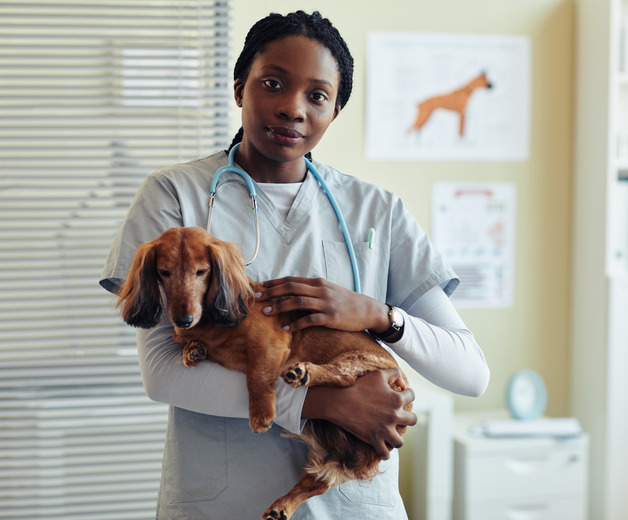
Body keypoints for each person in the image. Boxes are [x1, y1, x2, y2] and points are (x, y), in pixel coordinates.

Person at [100, 10, 489, 519]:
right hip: (224, 504)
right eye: (273, 83)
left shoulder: (377, 211)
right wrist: (318, 401)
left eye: (317, 96)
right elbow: (164, 374)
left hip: (354, 506)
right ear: (240, 88)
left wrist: (378, 315)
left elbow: (470, 373)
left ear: (336, 110)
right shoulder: (175, 196)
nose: (292, 109)